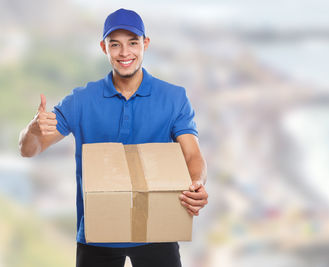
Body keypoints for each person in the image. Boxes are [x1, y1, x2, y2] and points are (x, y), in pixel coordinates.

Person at [18, 8, 208, 267]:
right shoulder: (81, 100)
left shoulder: (174, 98)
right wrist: (33, 129)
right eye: (115, 44)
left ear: (145, 44)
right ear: (103, 48)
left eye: (133, 43)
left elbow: (192, 154)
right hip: (97, 233)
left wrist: (197, 183)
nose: (124, 53)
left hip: (159, 228)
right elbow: (29, 150)